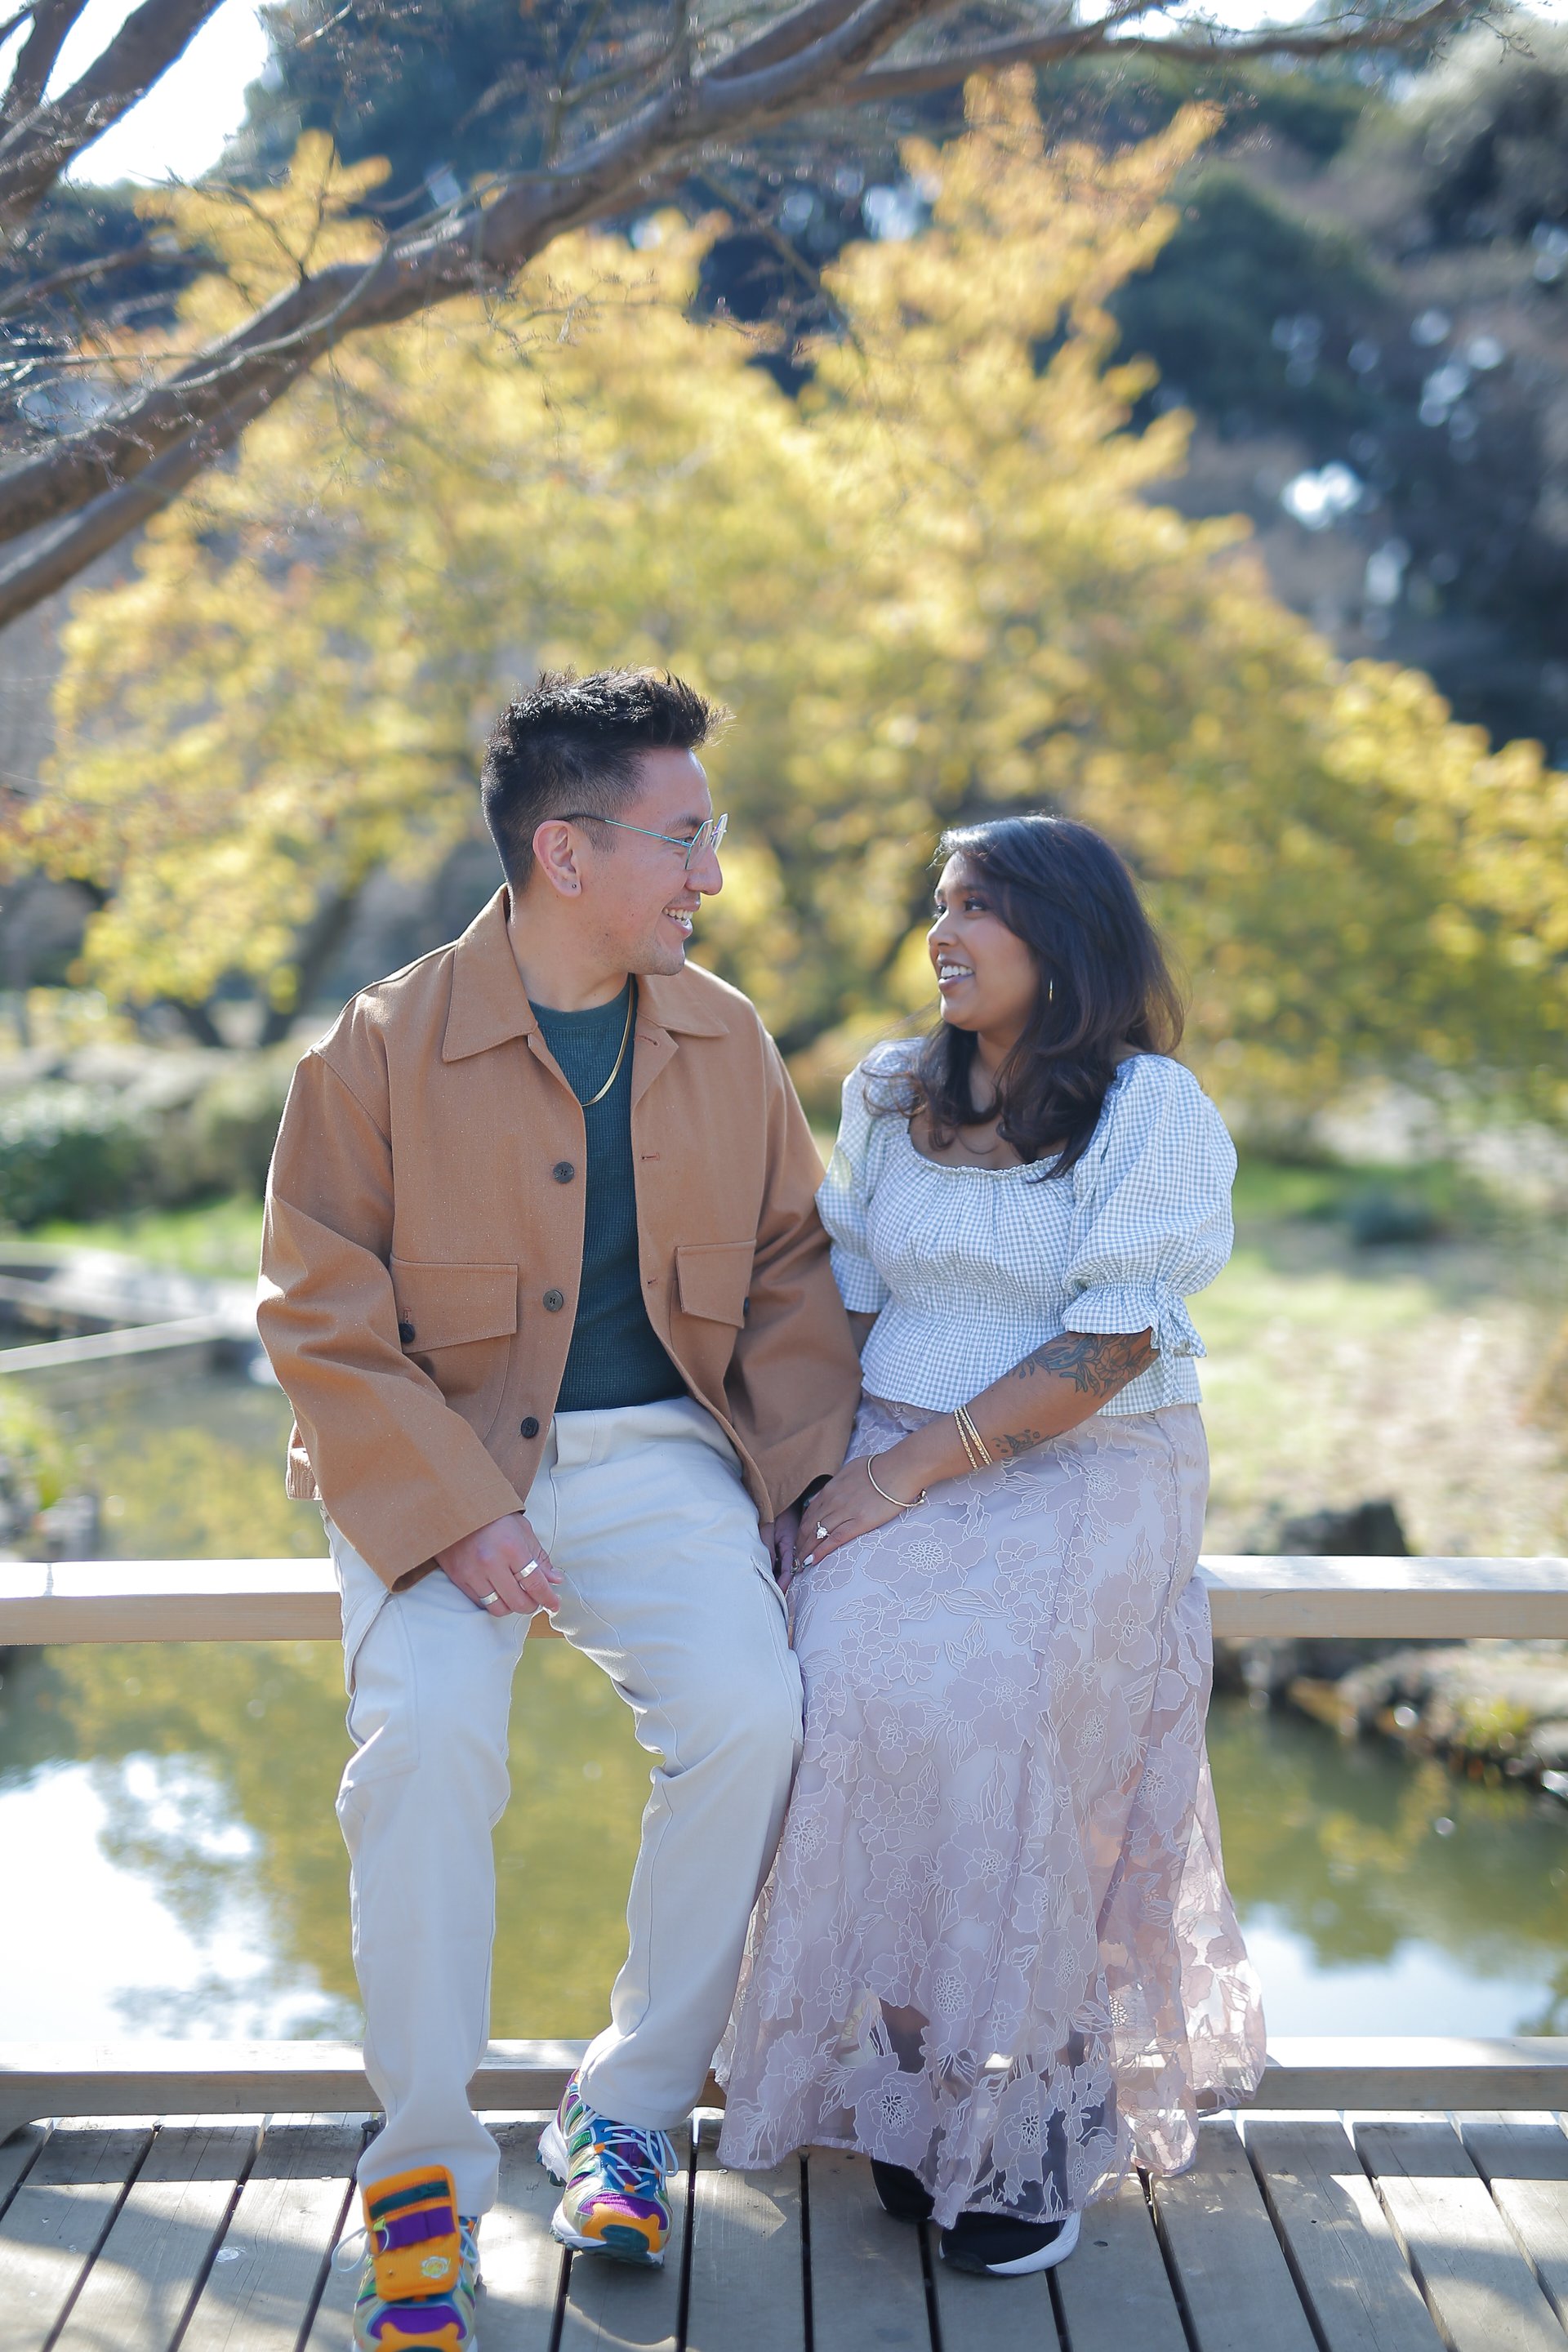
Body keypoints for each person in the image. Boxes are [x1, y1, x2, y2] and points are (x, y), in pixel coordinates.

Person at [257, 668, 861, 2351]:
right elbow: (318, 1322)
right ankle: (421, 2171)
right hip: (433, 1459)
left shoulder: (729, 1041)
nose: (711, 875)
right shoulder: (371, 1052)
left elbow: (793, 1281)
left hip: (660, 1454)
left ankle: (630, 2112)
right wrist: (456, 1515)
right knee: (425, 1749)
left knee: (751, 1713)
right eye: (686, 839)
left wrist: (801, 1489)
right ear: (566, 852)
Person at [718, 813, 1265, 2278]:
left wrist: (904, 1476)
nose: (941, 935)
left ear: (1063, 936)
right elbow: (843, 1281)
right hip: (889, 1445)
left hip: (1088, 1459)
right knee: (843, 1699)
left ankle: (1042, 2121)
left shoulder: (1151, 1107)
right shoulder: (892, 1087)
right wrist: (808, 1463)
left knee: (998, 1723)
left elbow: (1110, 1344)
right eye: (938, 905)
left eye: (976, 909)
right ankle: (916, 2089)